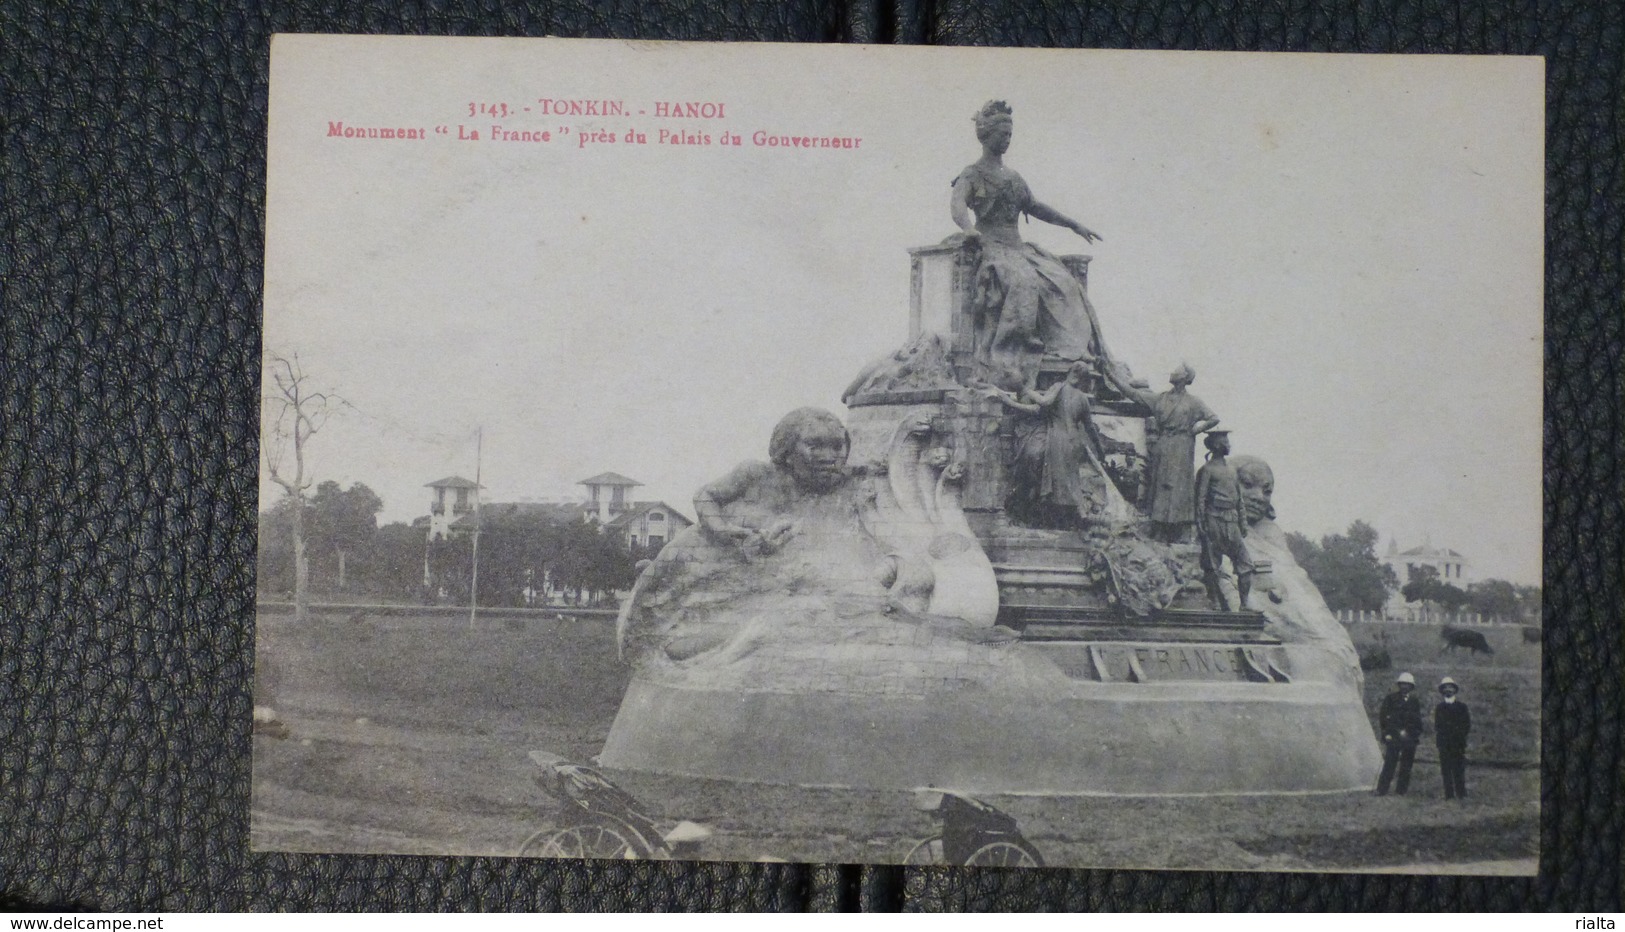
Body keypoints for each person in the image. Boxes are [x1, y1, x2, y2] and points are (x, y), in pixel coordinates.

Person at [951, 100, 1109, 381]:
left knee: (1062, 282)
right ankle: (1013, 356)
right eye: (1002, 135)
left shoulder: (1014, 177)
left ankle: (1068, 349)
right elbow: (957, 204)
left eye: (1010, 135)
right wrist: (968, 229)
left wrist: (1073, 224)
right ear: (987, 136)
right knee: (1021, 281)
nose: (1007, 140)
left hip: (1019, 248)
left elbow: (1035, 206)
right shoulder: (972, 174)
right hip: (992, 246)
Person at [982, 362, 1117, 528]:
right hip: (1074, 441)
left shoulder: (1059, 387)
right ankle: (1076, 515)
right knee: (1070, 480)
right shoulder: (1083, 398)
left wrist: (1016, 395)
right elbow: (1090, 428)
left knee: (1055, 482)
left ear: (1069, 374)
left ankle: (1066, 518)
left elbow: (1043, 404)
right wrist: (1100, 450)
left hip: (1057, 437)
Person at [1106, 362, 1220, 541]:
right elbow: (1134, 394)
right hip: (1163, 444)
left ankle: (1181, 529)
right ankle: (1159, 526)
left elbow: (1213, 418)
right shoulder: (1161, 398)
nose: (1172, 371)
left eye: (1177, 370)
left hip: (1183, 446)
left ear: (1184, 378)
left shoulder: (1193, 402)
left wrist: (1194, 431)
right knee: (1161, 484)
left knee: (1180, 486)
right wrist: (1112, 377)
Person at [1194, 431, 1254, 610]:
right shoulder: (1207, 470)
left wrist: (1243, 522)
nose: (1229, 445)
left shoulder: (1232, 470)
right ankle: (1214, 601)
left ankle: (1244, 604)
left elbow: (1239, 500)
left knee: (1245, 564)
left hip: (1232, 522)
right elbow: (1200, 499)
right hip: (1214, 520)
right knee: (1212, 564)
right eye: (1225, 442)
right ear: (1217, 445)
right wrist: (1201, 523)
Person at [1375, 671, 1425, 796]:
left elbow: (1417, 720)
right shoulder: (1391, 698)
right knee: (1389, 764)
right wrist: (1387, 733)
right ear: (1399, 685)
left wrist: (1414, 735)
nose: (1405, 687)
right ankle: (1382, 789)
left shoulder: (1414, 701)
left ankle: (1401, 790)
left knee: (1406, 765)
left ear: (1411, 687)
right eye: (1402, 684)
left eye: (1408, 684)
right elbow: (1383, 717)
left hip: (1409, 738)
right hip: (1394, 736)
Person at [1434, 676, 1472, 800]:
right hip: (1444, 743)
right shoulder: (1439, 707)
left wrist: (1459, 737)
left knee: (1458, 768)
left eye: (1450, 687)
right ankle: (1449, 794)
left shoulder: (1462, 707)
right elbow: (1438, 725)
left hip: (1458, 743)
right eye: (1445, 688)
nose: (1448, 690)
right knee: (1446, 769)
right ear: (1442, 691)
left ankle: (1461, 792)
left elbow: (1466, 725)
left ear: (1455, 690)